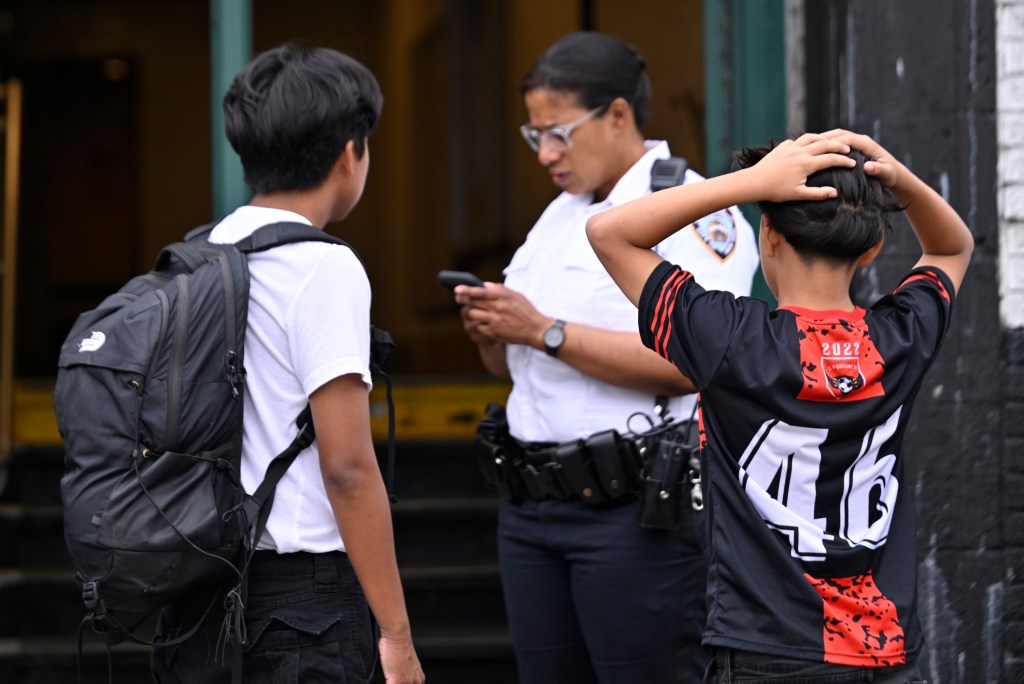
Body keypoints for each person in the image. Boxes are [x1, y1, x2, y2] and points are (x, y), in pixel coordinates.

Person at [586, 130, 974, 683]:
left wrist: (749, 184)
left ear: (767, 234)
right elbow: (951, 247)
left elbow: (608, 232)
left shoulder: (729, 338)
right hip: (884, 651)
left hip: (767, 648)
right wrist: (898, 178)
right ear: (872, 248)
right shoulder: (902, 337)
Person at [453, 31, 759, 683]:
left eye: (558, 132)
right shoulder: (558, 215)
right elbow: (519, 370)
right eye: (534, 136)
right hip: (532, 504)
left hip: (633, 511)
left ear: (617, 114)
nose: (546, 154)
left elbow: (694, 361)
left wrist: (541, 330)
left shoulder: (693, 211)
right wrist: (495, 333)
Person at [150, 43, 425, 684]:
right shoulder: (324, 266)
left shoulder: (196, 256)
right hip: (301, 603)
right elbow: (349, 469)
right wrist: (397, 635)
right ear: (350, 152)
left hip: (196, 591)